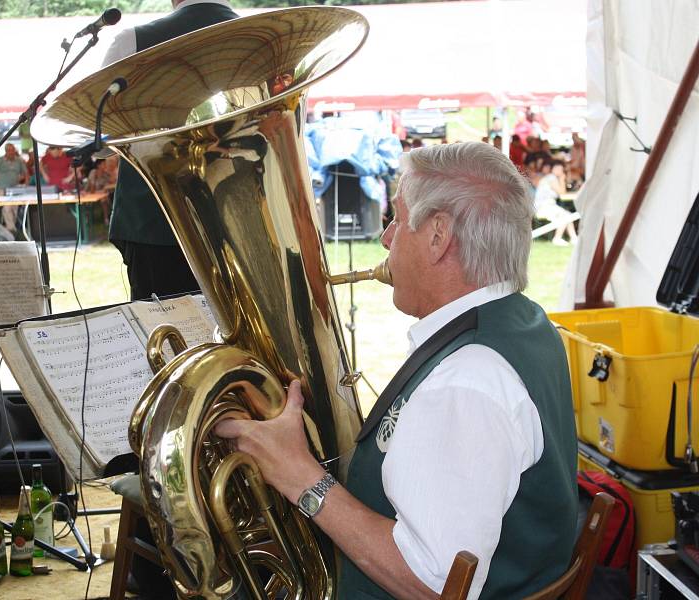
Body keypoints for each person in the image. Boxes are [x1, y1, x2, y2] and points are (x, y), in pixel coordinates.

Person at [216, 142, 578, 599]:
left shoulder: (465, 382)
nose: (387, 237)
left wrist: (298, 474)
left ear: (438, 236)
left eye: (398, 219)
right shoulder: (524, 322)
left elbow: (433, 584)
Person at [102, 2, 239, 596]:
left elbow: (108, 135)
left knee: (165, 380)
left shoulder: (131, 37)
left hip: (151, 226)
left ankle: (165, 553)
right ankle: (230, 522)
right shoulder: (256, 37)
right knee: (232, 372)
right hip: (232, 220)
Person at [102, 0, 238, 302]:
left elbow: (99, 139)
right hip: (239, 221)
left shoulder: (133, 42)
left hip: (154, 224)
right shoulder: (270, 38)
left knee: (166, 338)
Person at [0, 143, 27, 236]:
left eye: (13, 150)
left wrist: (26, 185)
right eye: (9, 150)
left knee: (14, 209)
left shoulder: (19, 161)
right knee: (7, 208)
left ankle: (11, 230)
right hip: (2, 188)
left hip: (15, 189)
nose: (12, 152)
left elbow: (25, 173)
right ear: (6, 151)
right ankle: (12, 229)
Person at [535, 159, 577, 246]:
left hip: (546, 206)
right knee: (565, 215)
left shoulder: (550, 177)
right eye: (559, 169)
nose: (560, 171)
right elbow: (562, 192)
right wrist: (562, 179)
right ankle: (557, 238)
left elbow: (562, 193)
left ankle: (574, 238)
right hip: (543, 207)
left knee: (568, 214)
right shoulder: (551, 178)